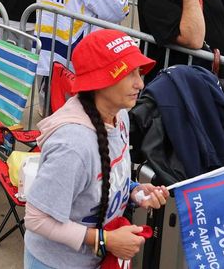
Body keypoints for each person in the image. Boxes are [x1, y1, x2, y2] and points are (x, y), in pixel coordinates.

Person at [24, 29, 168, 269]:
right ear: (100, 81)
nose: (140, 83)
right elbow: (36, 218)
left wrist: (134, 191)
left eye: (139, 72)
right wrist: (105, 240)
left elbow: (103, 177)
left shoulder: (121, 115)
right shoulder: (73, 145)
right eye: (129, 73)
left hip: (93, 259)